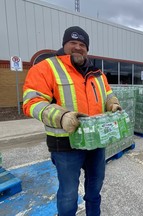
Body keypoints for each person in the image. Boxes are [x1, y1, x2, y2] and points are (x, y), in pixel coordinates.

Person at [23, 26, 122, 216]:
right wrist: (61, 116)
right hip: (65, 144)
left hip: (95, 142)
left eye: (82, 44)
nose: (78, 47)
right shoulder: (47, 68)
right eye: (73, 43)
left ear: (87, 48)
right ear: (64, 44)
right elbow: (32, 102)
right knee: (68, 195)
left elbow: (108, 94)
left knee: (95, 190)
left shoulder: (97, 73)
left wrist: (112, 103)